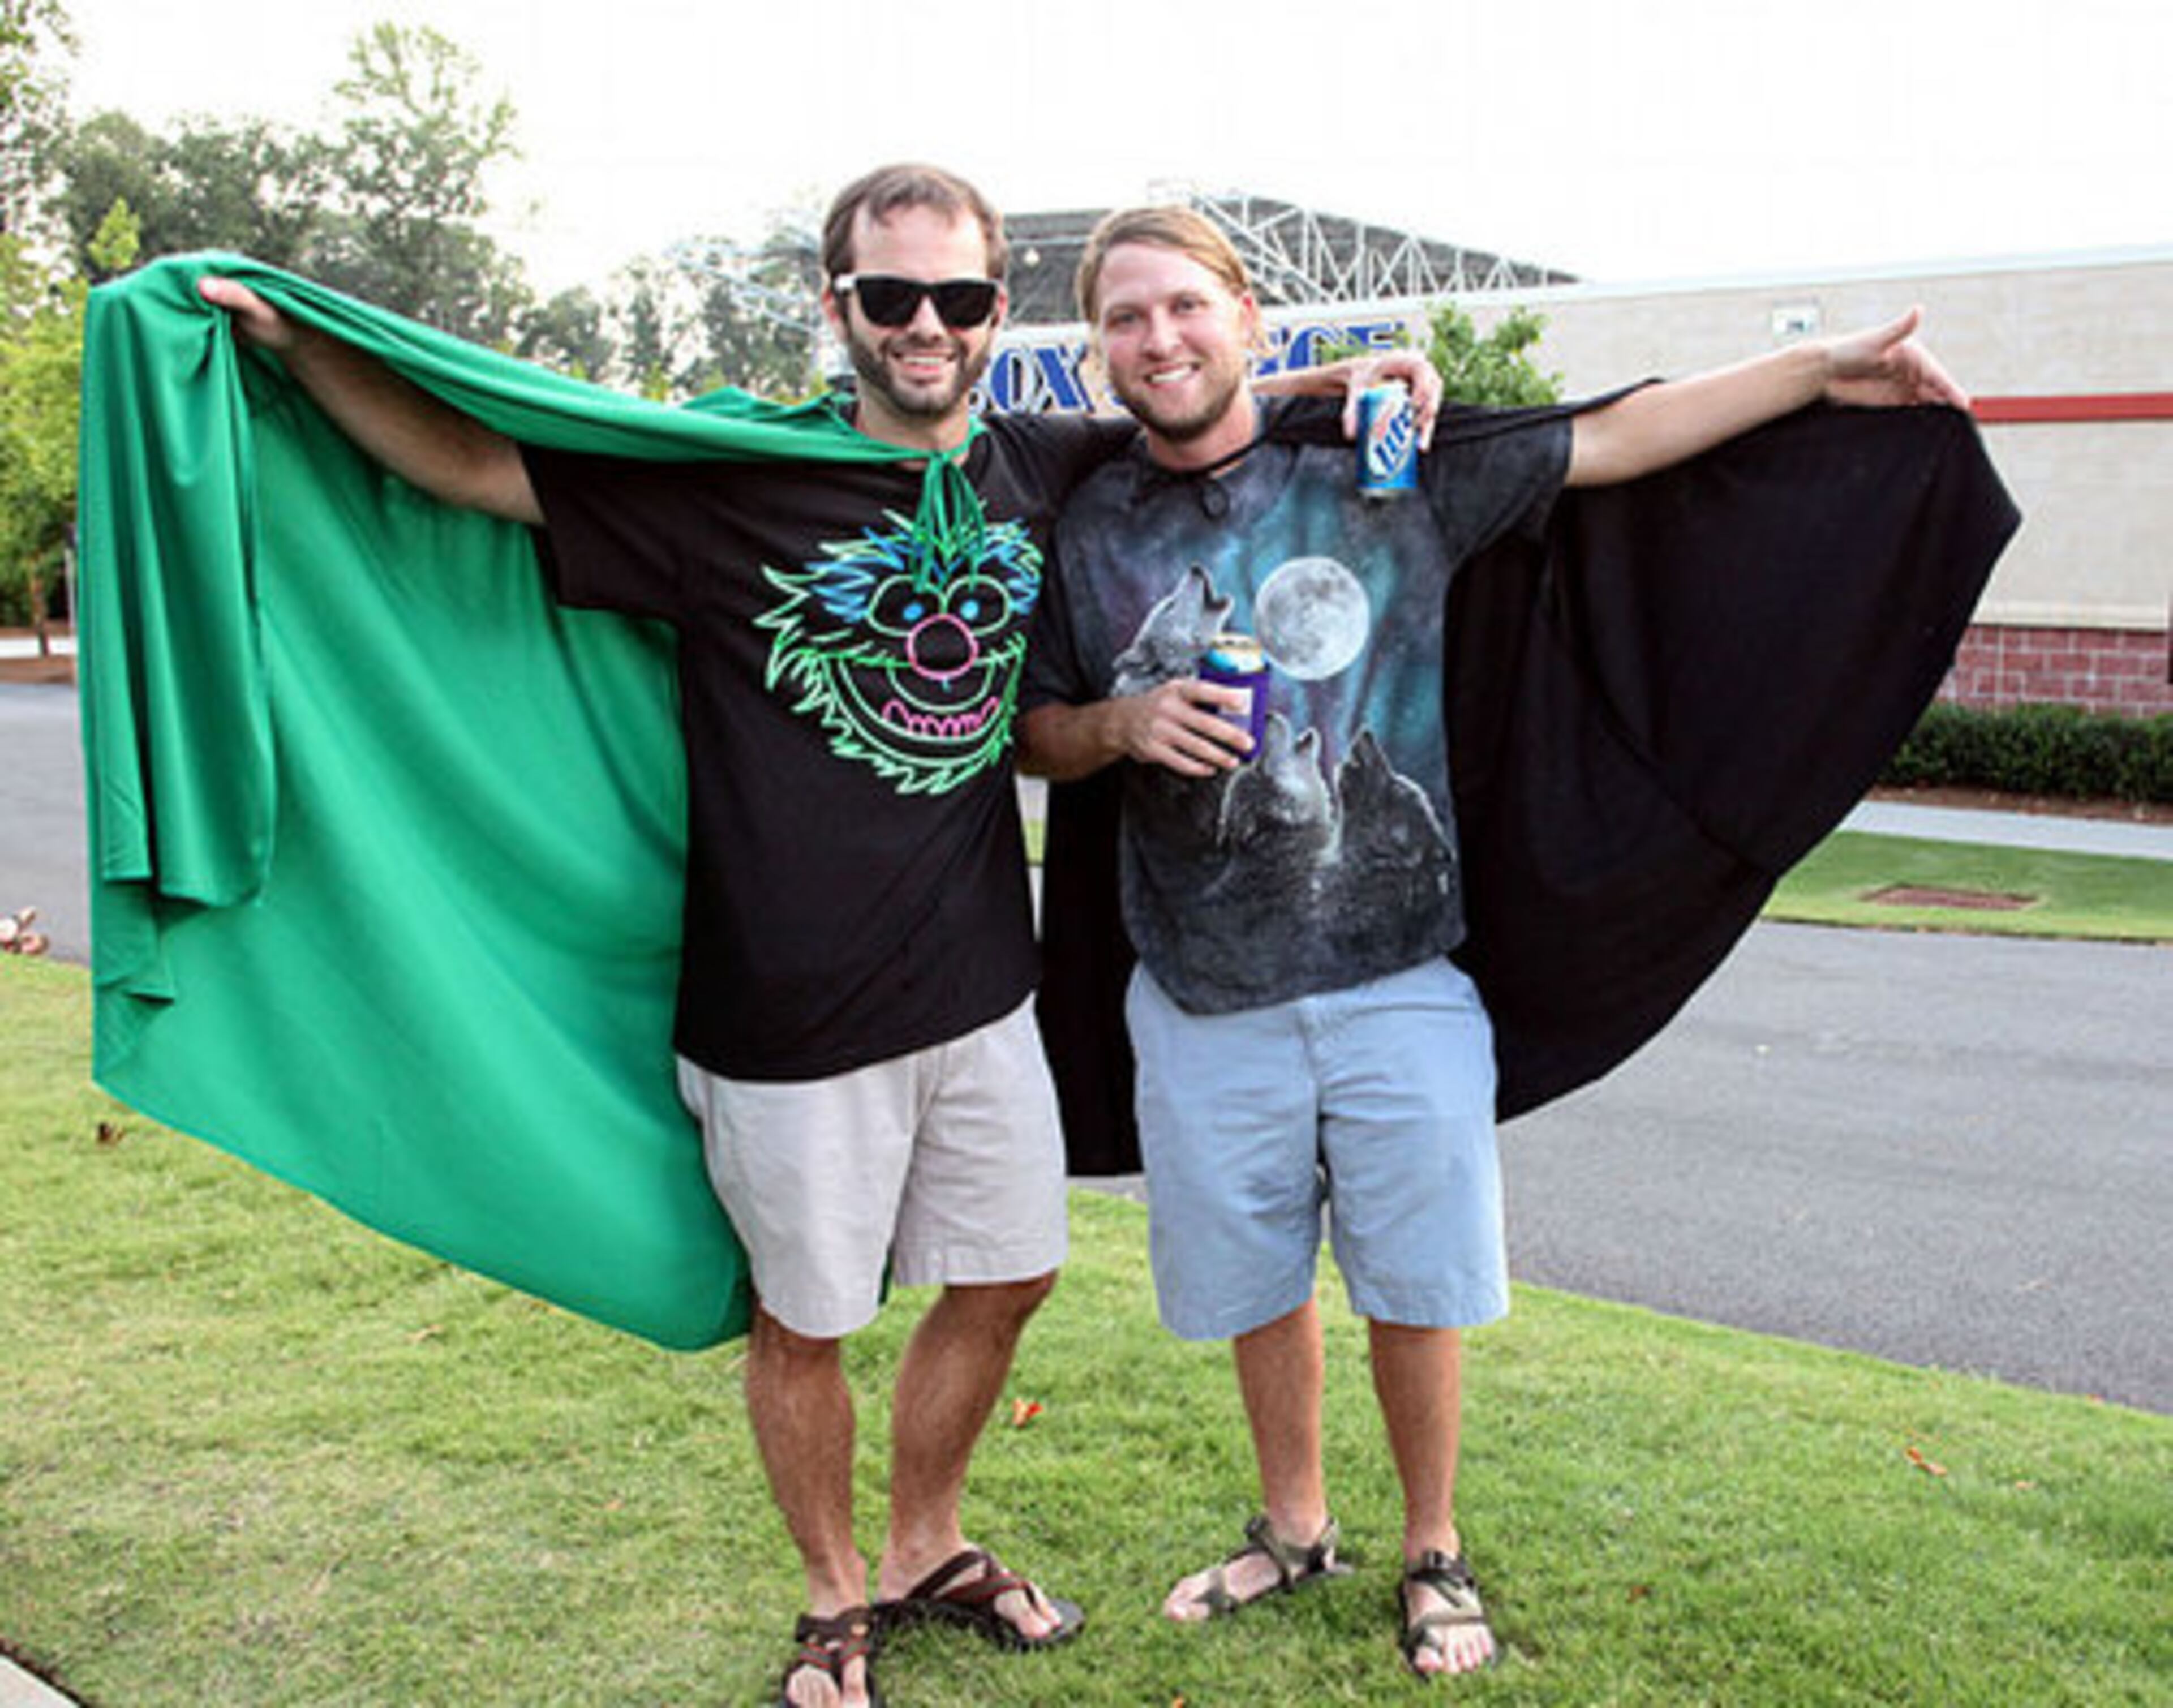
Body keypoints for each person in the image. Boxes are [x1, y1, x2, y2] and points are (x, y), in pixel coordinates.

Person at [197, 165, 1435, 1708]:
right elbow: (470, 465)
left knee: (1008, 1278)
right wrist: (297, 346)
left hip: (983, 986)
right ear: (836, 302)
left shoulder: (1028, 464)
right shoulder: (729, 482)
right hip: (782, 1006)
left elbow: (1188, 402)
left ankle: (927, 1544)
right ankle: (834, 1594)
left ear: (997, 312)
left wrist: (1347, 376)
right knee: (808, 1321)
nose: (929, 326)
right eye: (893, 296)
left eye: (961, 298)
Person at [1016, 204, 1976, 1683]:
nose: (1161, 338)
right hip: (1199, 985)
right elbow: (1034, 735)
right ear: (1099, 351)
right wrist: (1117, 723)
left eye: (1186, 307)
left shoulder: (1383, 475)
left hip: (1402, 969)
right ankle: (1293, 1524)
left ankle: (1432, 1548)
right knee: (1258, 1277)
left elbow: (1613, 436)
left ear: (1248, 320)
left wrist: (1819, 370)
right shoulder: (1083, 523)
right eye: (1128, 318)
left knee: (1414, 1274)